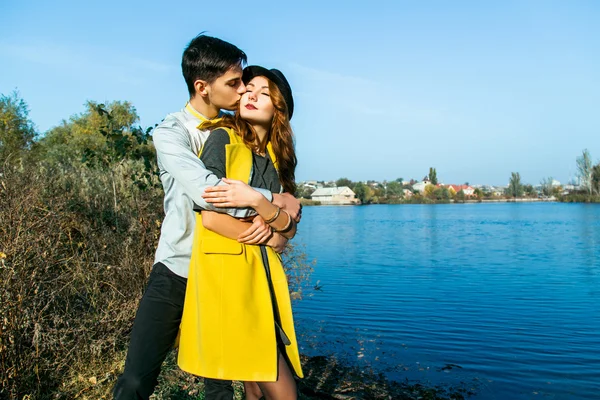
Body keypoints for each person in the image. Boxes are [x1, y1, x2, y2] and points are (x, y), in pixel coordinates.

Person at [113, 35, 301, 400]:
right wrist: (274, 201)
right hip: (180, 268)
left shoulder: (240, 130)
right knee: (137, 378)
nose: (243, 90)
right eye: (235, 84)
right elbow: (208, 193)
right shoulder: (172, 134)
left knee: (219, 382)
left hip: (225, 271)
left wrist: (285, 217)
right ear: (202, 87)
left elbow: (276, 201)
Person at [177, 66, 303, 400]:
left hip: (262, 277)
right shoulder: (222, 137)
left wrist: (256, 202)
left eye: (264, 93)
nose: (251, 95)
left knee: (255, 389)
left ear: (279, 109)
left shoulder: (278, 160)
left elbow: (283, 236)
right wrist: (267, 208)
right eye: (248, 89)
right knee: (282, 390)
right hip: (229, 279)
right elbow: (211, 218)